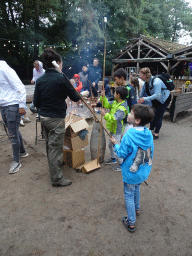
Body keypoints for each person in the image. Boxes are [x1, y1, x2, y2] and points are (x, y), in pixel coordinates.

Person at [33, 48, 81, 187]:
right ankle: (57, 179)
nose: (62, 65)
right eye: (62, 63)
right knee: (55, 148)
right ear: (58, 63)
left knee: (50, 146)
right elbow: (75, 97)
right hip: (56, 119)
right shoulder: (61, 78)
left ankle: (54, 167)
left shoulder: (41, 80)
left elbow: (36, 102)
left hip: (44, 117)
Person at [110, 104, 155, 232]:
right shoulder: (149, 134)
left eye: (130, 113)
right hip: (143, 171)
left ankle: (131, 222)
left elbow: (121, 154)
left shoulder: (129, 135)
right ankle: (137, 208)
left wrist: (115, 144)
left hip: (131, 173)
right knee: (137, 188)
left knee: (129, 195)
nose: (128, 114)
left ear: (136, 120)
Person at [0, 60, 29, 174]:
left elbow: (19, 86)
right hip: (4, 105)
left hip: (12, 105)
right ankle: (22, 151)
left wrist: (22, 105)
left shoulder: (5, 69)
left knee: (12, 135)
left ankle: (16, 161)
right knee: (13, 131)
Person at [138, 67, 171, 139]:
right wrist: (139, 99)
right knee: (152, 113)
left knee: (158, 115)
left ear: (145, 75)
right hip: (156, 99)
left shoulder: (156, 82)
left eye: (140, 74)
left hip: (164, 99)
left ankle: (156, 134)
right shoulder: (146, 83)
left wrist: (145, 99)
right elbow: (142, 93)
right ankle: (151, 129)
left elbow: (158, 95)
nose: (139, 76)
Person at [100, 86, 128, 171]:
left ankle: (121, 164)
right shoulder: (115, 102)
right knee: (110, 145)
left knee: (117, 147)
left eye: (115, 92)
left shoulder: (122, 108)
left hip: (117, 130)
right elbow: (107, 104)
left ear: (119, 95)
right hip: (112, 128)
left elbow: (115, 118)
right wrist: (103, 97)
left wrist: (105, 114)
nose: (113, 94)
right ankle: (113, 159)